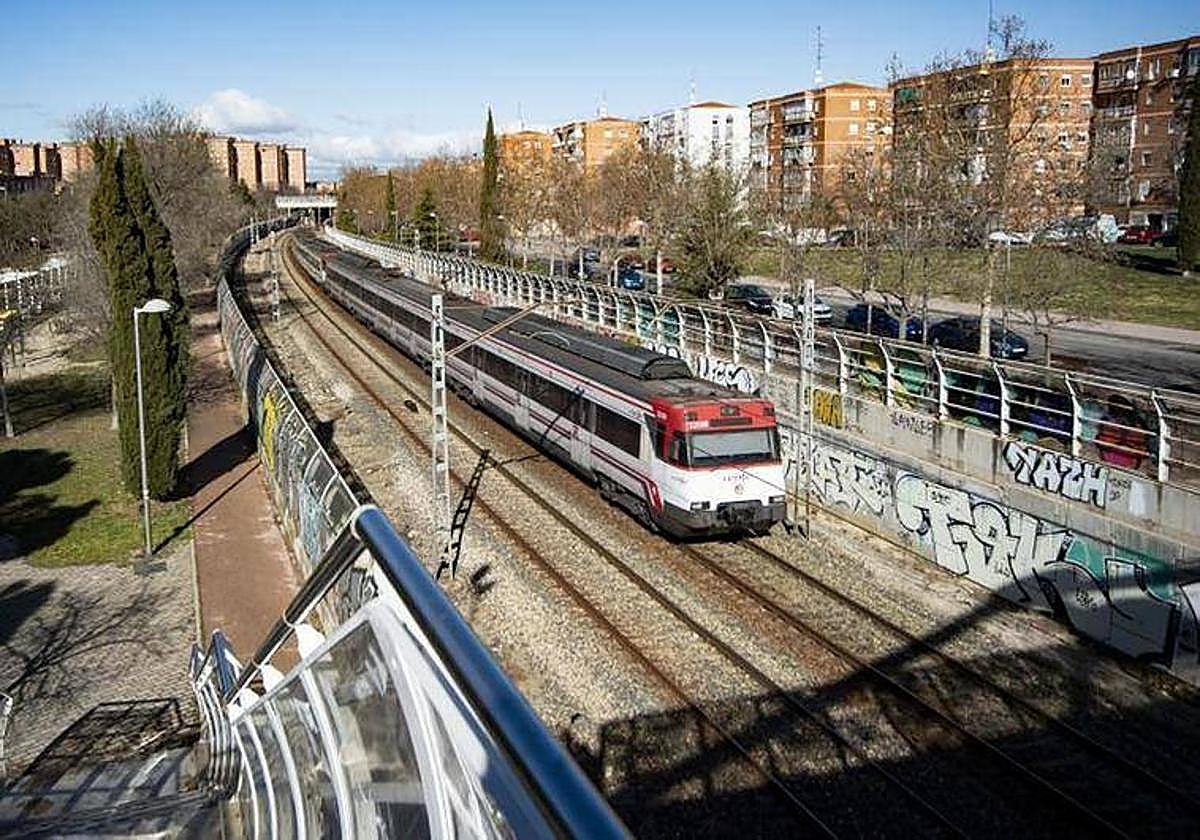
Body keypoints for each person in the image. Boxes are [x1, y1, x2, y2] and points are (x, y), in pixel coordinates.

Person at [1095, 395, 1147, 469]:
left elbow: (1101, 442)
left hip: (1111, 458)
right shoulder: (1138, 425)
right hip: (1130, 461)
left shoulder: (1107, 423)